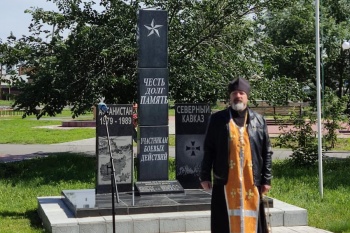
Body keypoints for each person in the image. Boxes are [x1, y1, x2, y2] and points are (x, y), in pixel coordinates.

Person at [200, 77, 273, 233]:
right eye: (234, 93)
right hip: (225, 180)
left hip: (251, 181)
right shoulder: (218, 120)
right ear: (230, 97)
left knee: (252, 217)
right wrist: (205, 175)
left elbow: (266, 151)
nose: (238, 96)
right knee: (224, 221)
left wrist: (266, 179)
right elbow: (209, 149)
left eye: (241, 93)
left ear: (247, 96)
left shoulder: (259, 121)